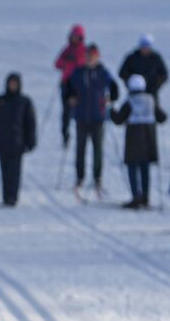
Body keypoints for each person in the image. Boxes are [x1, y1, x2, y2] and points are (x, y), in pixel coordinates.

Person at [68, 44, 118, 197]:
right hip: (81, 116)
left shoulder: (103, 72)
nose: (90, 58)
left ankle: (97, 177)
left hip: (98, 117)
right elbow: (67, 87)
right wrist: (70, 98)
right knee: (80, 149)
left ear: (97, 57)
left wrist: (111, 99)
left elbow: (114, 88)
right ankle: (80, 176)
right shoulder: (78, 72)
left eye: (93, 56)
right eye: (88, 56)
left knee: (98, 150)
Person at [110, 74, 165, 209]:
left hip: (133, 140)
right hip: (149, 139)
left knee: (133, 167)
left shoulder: (130, 101)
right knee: (145, 168)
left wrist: (110, 109)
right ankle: (145, 197)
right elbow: (162, 117)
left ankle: (136, 197)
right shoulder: (151, 99)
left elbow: (118, 119)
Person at [0, 72, 37, 206]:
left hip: (18, 142)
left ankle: (13, 197)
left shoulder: (24, 102)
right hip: (2, 142)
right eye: (11, 83)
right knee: (5, 170)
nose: (12, 86)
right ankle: (6, 196)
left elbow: (30, 122)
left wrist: (31, 141)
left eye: (15, 83)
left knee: (15, 171)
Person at [54, 25, 86, 148]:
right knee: (66, 112)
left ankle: (81, 135)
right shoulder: (67, 50)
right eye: (73, 36)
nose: (74, 39)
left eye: (77, 37)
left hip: (79, 84)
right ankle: (65, 134)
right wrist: (66, 62)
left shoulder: (83, 50)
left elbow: (83, 64)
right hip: (66, 84)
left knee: (79, 110)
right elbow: (57, 64)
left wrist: (74, 62)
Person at [118, 34, 168, 99]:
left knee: (154, 108)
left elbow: (164, 75)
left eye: (147, 46)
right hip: (135, 94)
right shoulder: (132, 57)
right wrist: (132, 83)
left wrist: (155, 86)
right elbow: (122, 73)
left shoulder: (156, 58)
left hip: (151, 94)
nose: (145, 48)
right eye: (143, 46)